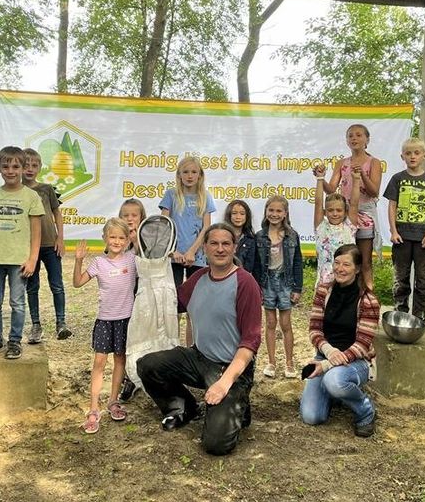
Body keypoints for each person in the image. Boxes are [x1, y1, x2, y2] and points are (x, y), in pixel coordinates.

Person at [137, 223, 262, 456]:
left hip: (230, 368)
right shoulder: (198, 278)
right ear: (204, 248)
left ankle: (239, 404)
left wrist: (224, 383)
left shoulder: (246, 284)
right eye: (214, 243)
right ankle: (182, 407)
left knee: (216, 445)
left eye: (226, 243)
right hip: (199, 357)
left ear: (234, 247)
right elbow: (172, 305)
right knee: (147, 365)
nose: (220, 249)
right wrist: (149, 275)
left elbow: (250, 344)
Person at [300, 244, 380, 437]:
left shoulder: (369, 301)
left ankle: (366, 410)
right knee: (312, 416)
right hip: (325, 355)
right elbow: (314, 329)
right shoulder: (323, 291)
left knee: (334, 380)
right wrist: (328, 352)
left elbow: (362, 346)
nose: (340, 269)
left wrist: (327, 365)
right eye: (337, 263)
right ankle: (336, 394)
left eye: (346, 264)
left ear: (358, 269)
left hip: (356, 361)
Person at [0, 146, 43, 360]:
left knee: (17, 302)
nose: (11, 170)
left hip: (19, 261)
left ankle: (15, 341)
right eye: (5, 166)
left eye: (16, 166)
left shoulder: (31, 196)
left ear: (24, 169)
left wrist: (33, 259)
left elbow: (36, 232)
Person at [73, 218, 137, 434]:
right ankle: (93, 408)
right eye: (112, 237)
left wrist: (137, 241)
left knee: (120, 360)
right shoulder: (99, 262)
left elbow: (148, 258)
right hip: (104, 320)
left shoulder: (132, 259)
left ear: (128, 240)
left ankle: (113, 401)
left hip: (125, 319)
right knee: (99, 362)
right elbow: (78, 282)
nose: (117, 241)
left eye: (121, 237)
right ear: (105, 239)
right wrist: (78, 261)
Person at [383, 137, 425, 322]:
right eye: (408, 153)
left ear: (424, 155)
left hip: (423, 238)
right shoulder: (398, 179)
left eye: (416, 153)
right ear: (402, 156)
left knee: (423, 278)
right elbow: (392, 205)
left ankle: (420, 316)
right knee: (400, 278)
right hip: (401, 237)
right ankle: (400, 313)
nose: (412, 156)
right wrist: (393, 231)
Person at [323, 124, 383, 288]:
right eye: (350, 136)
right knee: (344, 259)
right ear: (347, 141)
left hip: (364, 215)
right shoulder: (341, 163)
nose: (354, 138)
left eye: (358, 135)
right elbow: (331, 189)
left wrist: (362, 174)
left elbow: (374, 192)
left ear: (367, 139)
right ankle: (342, 294)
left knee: (364, 261)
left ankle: (367, 297)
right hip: (346, 216)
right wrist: (320, 179)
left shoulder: (374, 162)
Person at [22, 147, 71, 343]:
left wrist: (60, 238)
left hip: (51, 245)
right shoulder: (18, 191)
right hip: (29, 248)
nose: (30, 169)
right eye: (26, 165)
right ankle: (36, 325)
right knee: (32, 286)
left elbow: (57, 213)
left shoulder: (46, 189)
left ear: (40, 168)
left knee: (57, 285)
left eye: (34, 165)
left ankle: (61, 323)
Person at [255, 195, 303, 379]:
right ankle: (271, 362)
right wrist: (257, 288)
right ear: (266, 212)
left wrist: (297, 288)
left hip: (285, 283)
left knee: (285, 324)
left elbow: (297, 262)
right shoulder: (260, 236)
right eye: (271, 210)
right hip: (266, 283)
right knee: (270, 323)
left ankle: (289, 362)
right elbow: (257, 265)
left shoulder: (292, 235)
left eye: (278, 211)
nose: (274, 214)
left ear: (285, 213)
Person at [160, 156, 216, 290]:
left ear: (200, 175)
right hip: (174, 256)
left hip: (196, 256)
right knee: (173, 296)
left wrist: (192, 251)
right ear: (179, 175)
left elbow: (206, 228)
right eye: (185, 172)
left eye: (194, 172)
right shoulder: (171, 195)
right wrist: (173, 252)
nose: (189, 176)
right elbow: (163, 225)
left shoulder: (205, 196)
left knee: (195, 296)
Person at [117, 197, 147, 403]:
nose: (129, 219)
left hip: (142, 293)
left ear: (141, 218)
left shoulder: (146, 238)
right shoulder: (118, 239)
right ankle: (126, 377)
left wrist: (136, 241)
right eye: (125, 215)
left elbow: (149, 260)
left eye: (134, 215)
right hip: (122, 296)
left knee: (140, 335)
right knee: (125, 336)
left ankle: (141, 375)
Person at [313, 163, 360, 285]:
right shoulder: (321, 227)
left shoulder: (349, 227)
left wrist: (356, 179)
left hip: (346, 281)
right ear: (325, 212)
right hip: (325, 281)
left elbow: (354, 203)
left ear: (345, 212)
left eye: (339, 210)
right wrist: (320, 179)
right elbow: (318, 203)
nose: (334, 213)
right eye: (330, 210)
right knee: (322, 304)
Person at [223, 199, 257, 281]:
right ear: (229, 215)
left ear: (247, 216)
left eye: (242, 214)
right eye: (234, 213)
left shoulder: (251, 239)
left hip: (242, 280)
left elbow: (249, 267)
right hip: (222, 278)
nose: (238, 217)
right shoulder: (221, 235)